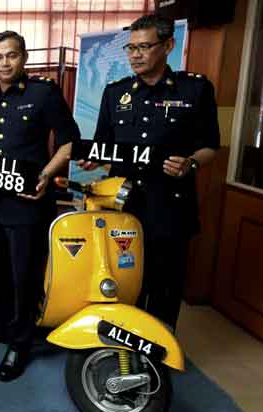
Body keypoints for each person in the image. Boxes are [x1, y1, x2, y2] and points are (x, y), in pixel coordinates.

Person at [88, 14, 220, 330]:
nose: (135, 55)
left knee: (165, 284)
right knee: (125, 278)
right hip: (124, 204)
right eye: (130, 48)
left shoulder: (194, 89)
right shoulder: (115, 92)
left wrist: (191, 163)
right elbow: (101, 145)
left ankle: (158, 350)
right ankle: (125, 346)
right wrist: (92, 160)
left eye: (144, 47)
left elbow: (210, 146)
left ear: (168, 46)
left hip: (171, 206)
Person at [0, 31, 80, 382]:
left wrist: (47, 175)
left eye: (11, 55)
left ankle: (21, 342)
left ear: (24, 58)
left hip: (31, 202)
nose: (4, 62)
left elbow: (69, 142)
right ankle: (2, 326)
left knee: (25, 275)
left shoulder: (43, 93)